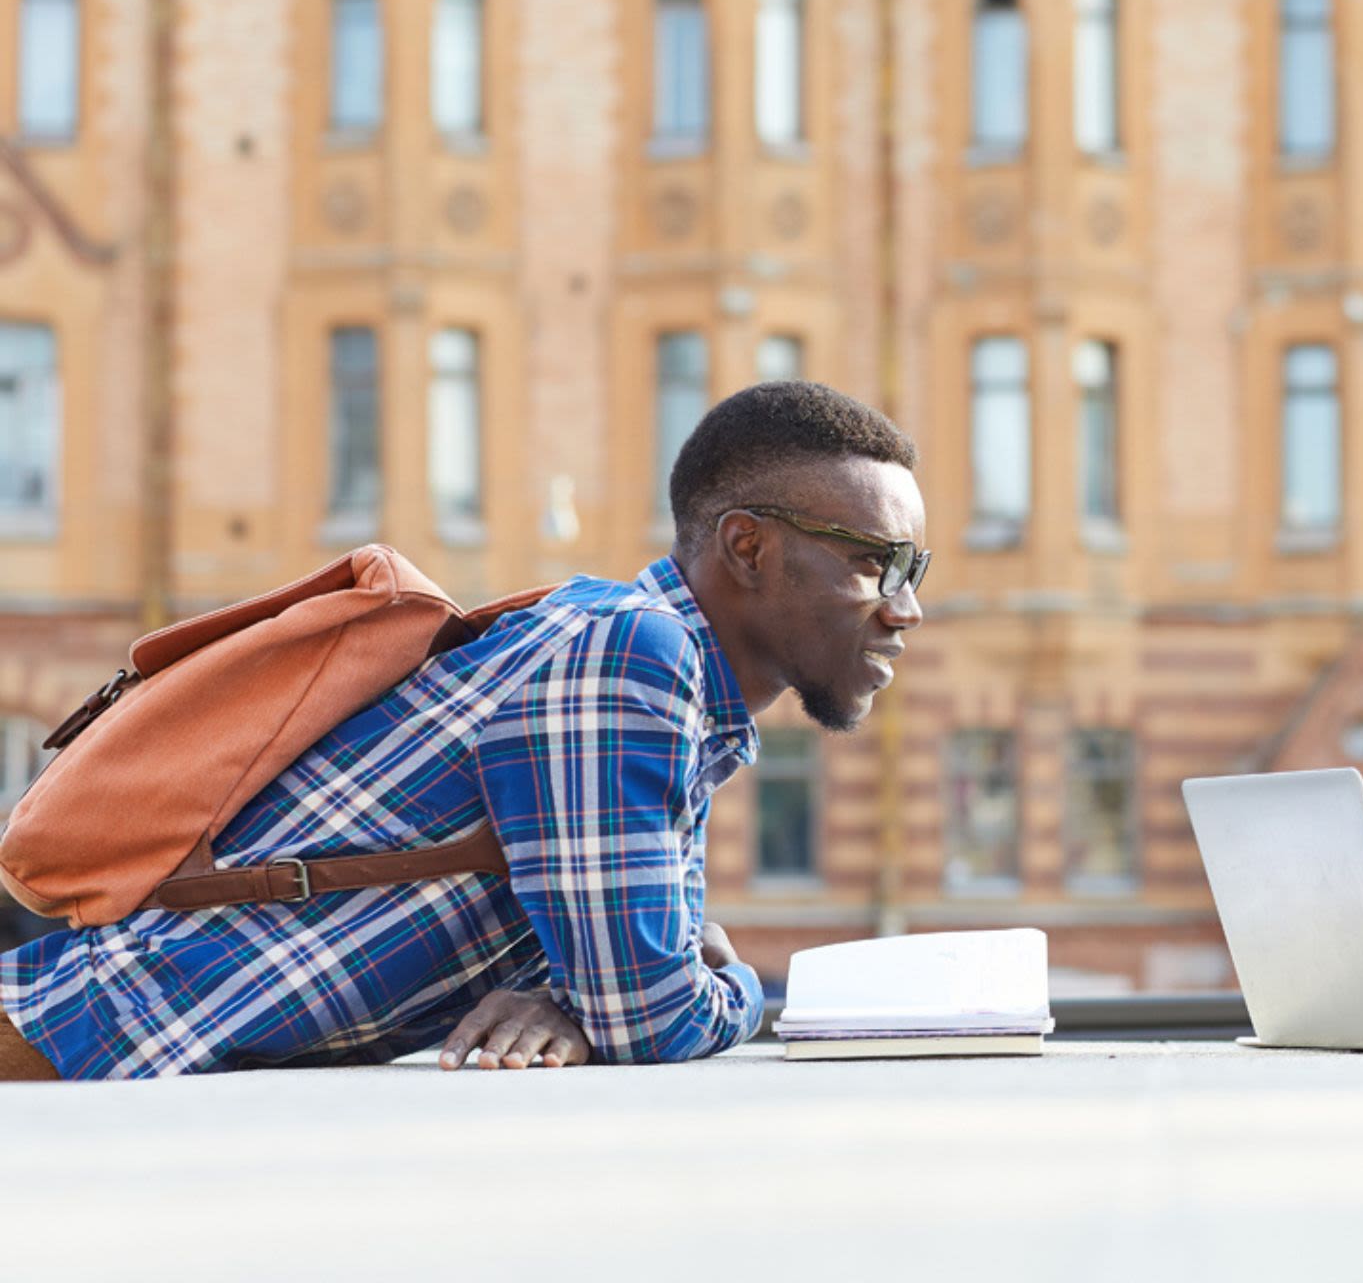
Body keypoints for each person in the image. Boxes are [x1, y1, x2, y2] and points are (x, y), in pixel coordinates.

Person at [0, 381, 927, 1080]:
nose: (906, 608)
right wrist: (738, 992)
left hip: (106, 1054)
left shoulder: (655, 684)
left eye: (915, 569)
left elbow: (618, 990)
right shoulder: (628, 656)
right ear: (748, 548)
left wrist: (570, 1002)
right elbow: (653, 1012)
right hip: (73, 1042)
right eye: (874, 565)